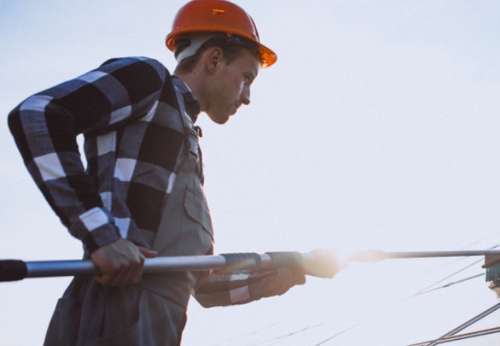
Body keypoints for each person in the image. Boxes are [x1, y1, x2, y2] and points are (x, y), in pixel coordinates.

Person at [7, 1, 337, 344]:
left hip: (160, 324)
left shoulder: (188, 142)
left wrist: (298, 266)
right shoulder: (148, 79)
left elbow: (202, 285)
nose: (248, 97)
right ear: (213, 59)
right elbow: (38, 114)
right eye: (247, 78)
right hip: (116, 310)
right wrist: (100, 235)